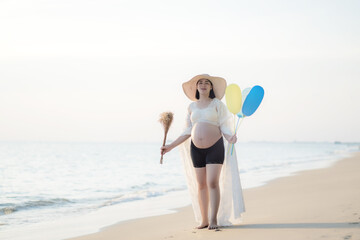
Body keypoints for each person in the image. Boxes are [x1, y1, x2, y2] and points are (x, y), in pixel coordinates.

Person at [161, 74, 245, 230]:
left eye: (207, 83)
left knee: (212, 182)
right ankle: (204, 220)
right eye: (200, 83)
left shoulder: (217, 104)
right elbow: (187, 131)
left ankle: (213, 220)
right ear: (196, 87)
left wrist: (230, 137)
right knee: (201, 185)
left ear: (211, 87)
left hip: (215, 146)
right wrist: (170, 146)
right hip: (196, 149)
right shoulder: (191, 107)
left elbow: (224, 125)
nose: (204, 85)